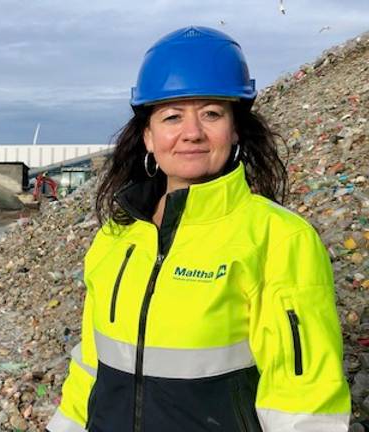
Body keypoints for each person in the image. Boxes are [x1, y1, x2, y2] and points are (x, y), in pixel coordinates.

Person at [47, 26, 350, 432]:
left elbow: (303, 397)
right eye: (172, 116)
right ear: (148, 137)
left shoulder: (278, 238)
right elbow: (90, 363)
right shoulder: (116, 239)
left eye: (211, 113)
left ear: (235, 128)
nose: (192, 132)